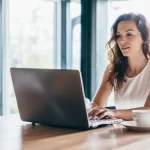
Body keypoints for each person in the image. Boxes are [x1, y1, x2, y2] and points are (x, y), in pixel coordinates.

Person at [88, 12, 150, 121]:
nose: (122, 40)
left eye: (129, 34)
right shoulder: (113, 69)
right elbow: (97, 103)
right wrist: (93, 110)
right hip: (122, 132)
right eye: (118, 35)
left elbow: (148, 110)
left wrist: (114, 113)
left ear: (144, 37)